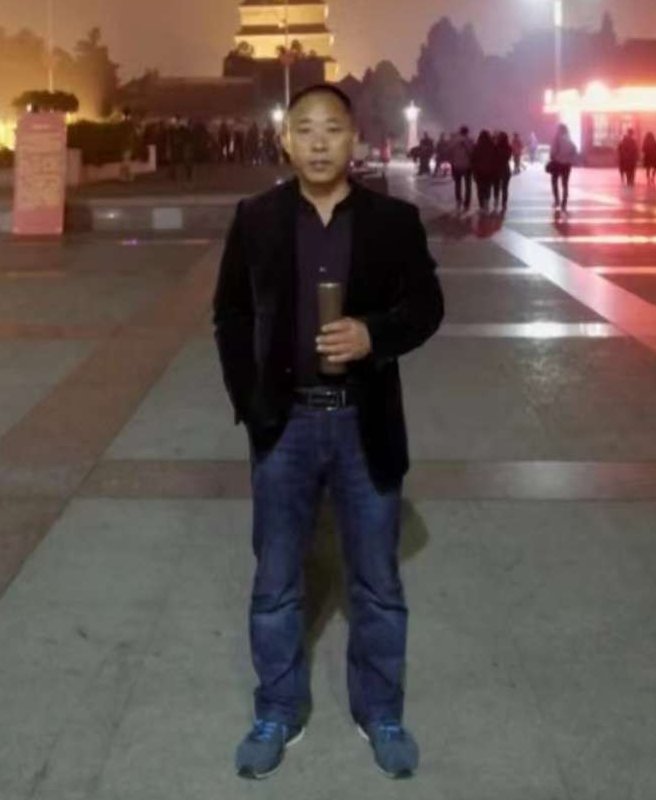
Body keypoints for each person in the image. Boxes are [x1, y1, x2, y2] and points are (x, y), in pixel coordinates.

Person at [212, 83, 444, 781]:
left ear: (354, 139)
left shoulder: (392, 221)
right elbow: (230, 315)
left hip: (362, 422)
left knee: (376, 583)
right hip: (285, 426)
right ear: (286, 140)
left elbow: (427, 305)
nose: (318, 142)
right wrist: (252, 403)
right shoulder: (255, 218)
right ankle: (277, 709)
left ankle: (382, 712)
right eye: (305, 128)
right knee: (276, 581)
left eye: (332, 128)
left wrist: (375, 335)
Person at [549, 123, 577, 213]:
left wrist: (553, 157)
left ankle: (557, 200)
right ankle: (564, 202)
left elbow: (553, 151)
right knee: (565, 184)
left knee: (554, 182)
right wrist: (569, 158)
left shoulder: (557, 138)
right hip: (567, 165)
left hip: (557, 163)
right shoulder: (569, 139)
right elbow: (574, 149)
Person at [448, 125, 474, 213]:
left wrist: (452, 162)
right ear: (467, 132)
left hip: (456, 165)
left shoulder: (454, 141)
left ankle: (458, 200)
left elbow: (450, 152)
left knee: (457, 184)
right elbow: (472, 152)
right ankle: (467, 203)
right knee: (468, 185)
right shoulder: (470, 141)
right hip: (467, 166)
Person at [471, 129, 496, 214]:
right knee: (488, 188)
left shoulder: (477, 147)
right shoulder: (492, 146)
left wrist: (474, 171)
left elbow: (473, 160)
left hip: (479, 171)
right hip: (489, 171)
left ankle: (481, 206)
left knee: (480, 189)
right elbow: (495, 159)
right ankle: (487, 203)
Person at [492, 131, 513, 214]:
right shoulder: (508, 148)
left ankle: (496, 202)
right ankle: (504, 204)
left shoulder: (495, 147)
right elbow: (508, 157)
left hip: (496, 169)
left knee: (496, 187)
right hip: (506, 169)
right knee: (505, 188)